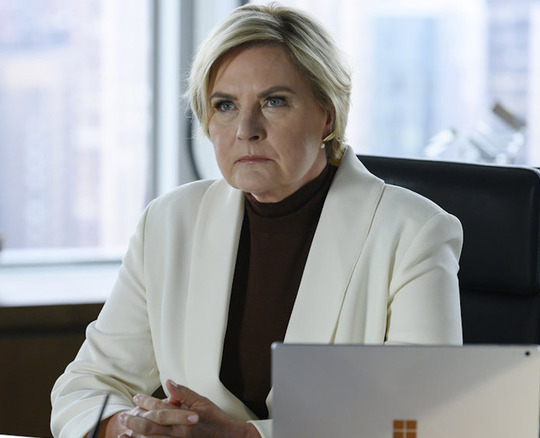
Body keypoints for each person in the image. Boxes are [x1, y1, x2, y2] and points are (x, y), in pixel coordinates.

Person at [51, 4, 463, 438]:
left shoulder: (412, 231)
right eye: (225, 105)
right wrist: (126, 427)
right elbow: (89, 384)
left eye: (274, 101)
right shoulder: (169, 223)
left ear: (327, 114)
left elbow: (424, 416)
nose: (246, 128)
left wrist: (247, 437)